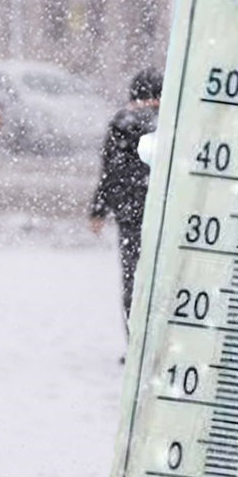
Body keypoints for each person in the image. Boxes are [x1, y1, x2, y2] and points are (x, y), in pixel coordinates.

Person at [89, 67, 163, 339]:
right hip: (166, 213)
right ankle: (160, 340)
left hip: (131, 213)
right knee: (163, 278)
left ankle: (136, 342)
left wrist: (98, 210)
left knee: (134, 279)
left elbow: (111, 171)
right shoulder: (173, 122)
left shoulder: (124, 122)